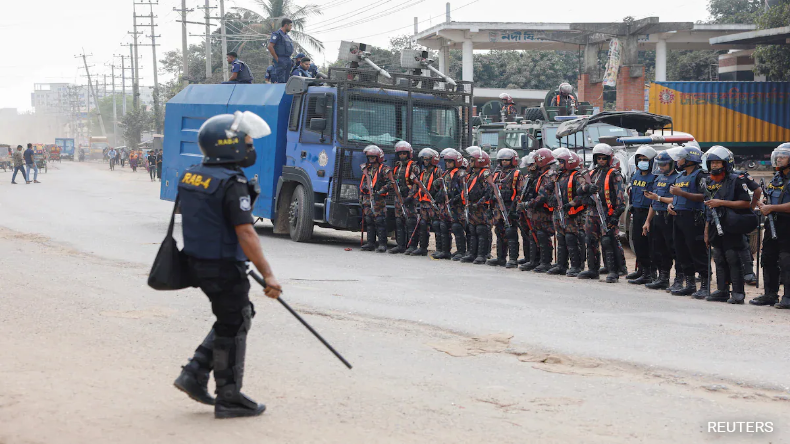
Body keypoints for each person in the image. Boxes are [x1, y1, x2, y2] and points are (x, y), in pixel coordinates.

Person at [172, 111, 281, 419]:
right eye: (246, 142)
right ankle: (229, 396)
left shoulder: (192, 173)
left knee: (234, 317)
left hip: (199, 262)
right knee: (234, 323)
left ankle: (194, 373)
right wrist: (268, 275)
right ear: (228, 145)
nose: (250, 148)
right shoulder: (232, 182)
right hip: (222, 266)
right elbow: (246, 231)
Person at [702, 146, 755, 304]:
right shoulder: (709, 181)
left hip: (732, 223)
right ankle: (722, 290)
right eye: (712, 163)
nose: (714, 166)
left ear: (726, 164)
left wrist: (721, 203)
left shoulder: (736, 179)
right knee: (719, 257)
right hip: (714, 224)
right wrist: (706, 231)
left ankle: (738, 293)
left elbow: (746, 203)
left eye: (718, 163)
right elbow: (708, 207)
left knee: (733, 257)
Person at [578, 144, 625, 283]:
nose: (601, 161)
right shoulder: (592, 173)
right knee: (590, 240)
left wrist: (615, 216)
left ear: (609, 159)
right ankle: (593, 270)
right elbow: (580, 190)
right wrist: (587, 187)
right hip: (592, 212)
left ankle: (613, 272)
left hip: (607, 212)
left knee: (607, 241)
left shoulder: (614, 174)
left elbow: (620, 199)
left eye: (604, 158)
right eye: (598, 158)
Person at [667, 145, 709, 297]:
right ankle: (690, 283)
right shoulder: (680, 175)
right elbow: (677, 196)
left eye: (681, 158)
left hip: (694, 218)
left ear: (690, 159)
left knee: (696, 250)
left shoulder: (701, 175)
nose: (678, 160)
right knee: (681, 250)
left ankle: (705, 285)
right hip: (678, 217)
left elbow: (704, 196)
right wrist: (672, 204)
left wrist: (682, 193)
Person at [753, 143, 790, 309]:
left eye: (783, 156)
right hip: (772, 222)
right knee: (767, 258)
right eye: (779, 156)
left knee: (786, 261)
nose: (779, 159)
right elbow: (771, 196)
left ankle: (788, 296)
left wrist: (772, 208)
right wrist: (764, 203)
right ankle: (770, 294)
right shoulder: (777, 177)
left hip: (787, 224)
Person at [643, 148, 683, 291]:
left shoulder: (678, 178)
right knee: (659, 250)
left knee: (675, 250)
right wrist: (647, 221)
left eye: (664, 165)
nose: (661, 167)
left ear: (672, 164)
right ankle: (663, 278)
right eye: (659, 164)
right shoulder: (658, 178)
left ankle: (679, 280)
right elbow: (653, 203)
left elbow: (677, 198)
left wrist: (659, 198)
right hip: (658, 218)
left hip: (670, 219)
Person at [551, 149, 588, 277]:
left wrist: (570, 204)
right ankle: (561, 265)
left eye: (562, 162)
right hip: (559, 211)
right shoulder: (559, 176)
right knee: (561, 238)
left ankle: (576, 266)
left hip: (572, 213)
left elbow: (582, 195)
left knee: (571, 238)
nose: (559, 165)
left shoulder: (577, 176)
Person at [485, 149, 522, 268]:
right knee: (499, 232)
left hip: (509, 207)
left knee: (510, 232)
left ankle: (513, 259)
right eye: (502, 160)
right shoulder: (497, 174)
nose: (504, 162)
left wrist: (516, 209)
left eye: (507, 160)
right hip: (497, 208)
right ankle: (501, 258)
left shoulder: (516, 174)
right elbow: (492, 191)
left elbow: (520, 192)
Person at [523, 148, 557, 273]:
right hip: (536, 211)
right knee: (534, 235)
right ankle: (534, 260)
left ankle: (545, 262)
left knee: (543, 236)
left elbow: (543, 196)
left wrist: (527, 204)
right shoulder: (539, 175)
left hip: (544, 211)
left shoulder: (549, 175)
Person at [627, 146, 658, 285]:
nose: (642, 162)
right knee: (637, 242)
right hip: (637, 211)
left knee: (648, 244)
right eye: (640, 159)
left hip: (649, 213)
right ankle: (641, 269)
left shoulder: (655, 177)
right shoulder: (636, 174)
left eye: (645, 160)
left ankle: (649, 273)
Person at [359, 145, 393, 253]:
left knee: (380, 221)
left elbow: (390, 183)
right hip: (367, 198)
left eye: (373, 158)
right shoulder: (367, 169)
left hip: (378, 199)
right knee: (369, 220)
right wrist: (362, 193)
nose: (371, 160)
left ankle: (382, 244)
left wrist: (381, 191)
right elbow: (364, 182)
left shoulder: (384, 169)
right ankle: (370, 243)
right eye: (370, 158)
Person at [389, 141, 421, 254]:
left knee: (410, 221)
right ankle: (400, 245)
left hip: (409, 199)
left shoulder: (413, 167)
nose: (402, 155)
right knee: (399, 221)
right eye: (400, 153)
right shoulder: (397, 167)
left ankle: (412, 245)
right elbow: (393, 181)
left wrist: (410, 197)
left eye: (404, 153)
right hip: (399, 197)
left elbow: (416, 184)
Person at [462, 148, 492, 264]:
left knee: (481, 230)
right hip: (471, 206)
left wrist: (479, 203)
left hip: (481, 207)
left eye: (472, 160)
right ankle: (472, 253)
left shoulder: (485, 174)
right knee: (472, 229)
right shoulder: (471, 174)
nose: (470, 162)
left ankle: (481, 254)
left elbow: (489, 192)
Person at [411, 148, 442, 257]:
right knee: (423, 225)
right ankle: (423, 248)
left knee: (436, 225)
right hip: (423, 203)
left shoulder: (437, 171)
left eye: (427, 159)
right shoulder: (423, 172)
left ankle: (439, 249)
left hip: (433, 203)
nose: (425, 162)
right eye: (423, 159)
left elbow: (442, 187)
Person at [442, 149, 468, 261]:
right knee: (444, 226)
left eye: (450, 162)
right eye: (446, 161)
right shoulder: (446, 173)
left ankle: (461, 251)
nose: (447, 163)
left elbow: (464, 190)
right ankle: (445, 251)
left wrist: (455, 198)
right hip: (447, 204)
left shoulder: (460, 174)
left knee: (457, 227)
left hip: (458, 205)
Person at [517, 153, 542, 271]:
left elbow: (540, 196)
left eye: (531, 165)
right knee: (525, 233)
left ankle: (537, 260)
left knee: (536, 235)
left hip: (537, 209)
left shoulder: (541, 177)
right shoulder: (528, 177)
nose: (529, 168)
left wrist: (527, 204)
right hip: (526, 209)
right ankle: (528, 257)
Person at [267, 18, 294, 84]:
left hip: (287, 59)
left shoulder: (287, 36)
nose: (291, 27)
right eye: (290, 25)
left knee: (287, 81)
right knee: (281, 80)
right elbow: (270, 47)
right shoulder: (277, 34)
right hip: (281, 58)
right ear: (285, 25)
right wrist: (277, 59)